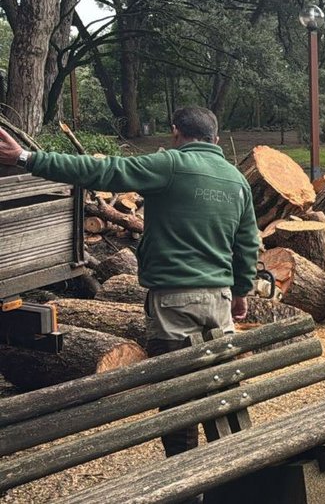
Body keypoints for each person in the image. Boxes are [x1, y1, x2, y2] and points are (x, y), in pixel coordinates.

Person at [0, 106, 260, 458]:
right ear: (215, 139)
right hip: (219, 301)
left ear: (175, 133)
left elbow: (103, 170)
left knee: (177, 398)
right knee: (222, 391)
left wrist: (28, 157)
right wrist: (241, 292)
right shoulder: (236, 179)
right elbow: (247, 244)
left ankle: (186, 484)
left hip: (174, 302)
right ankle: (234, 473)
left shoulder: (169, 164)